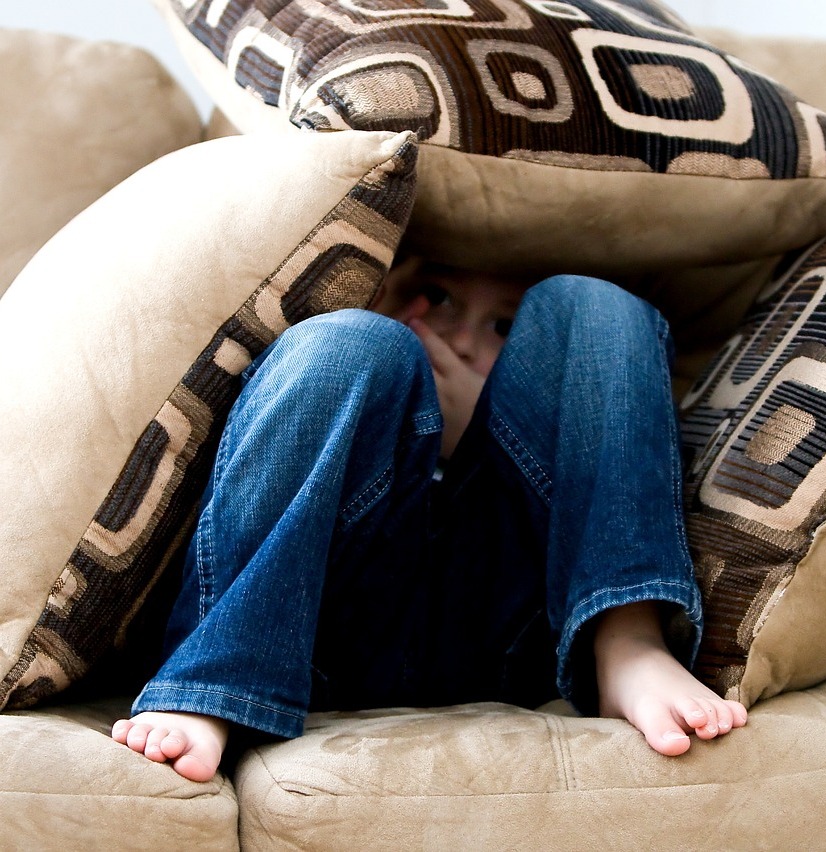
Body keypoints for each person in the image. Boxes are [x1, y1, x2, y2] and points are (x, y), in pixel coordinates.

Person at [112, 259, 747, 782]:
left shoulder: (545, 388)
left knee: (596, 305)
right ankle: (218, 680)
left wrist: (480, 426)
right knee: (348, 343)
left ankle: (625, 635)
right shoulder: (381, 357)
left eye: (505, 325)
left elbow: (572, 409)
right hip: (323, 630)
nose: (464, 337)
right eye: (437, 298)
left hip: (510, 630)